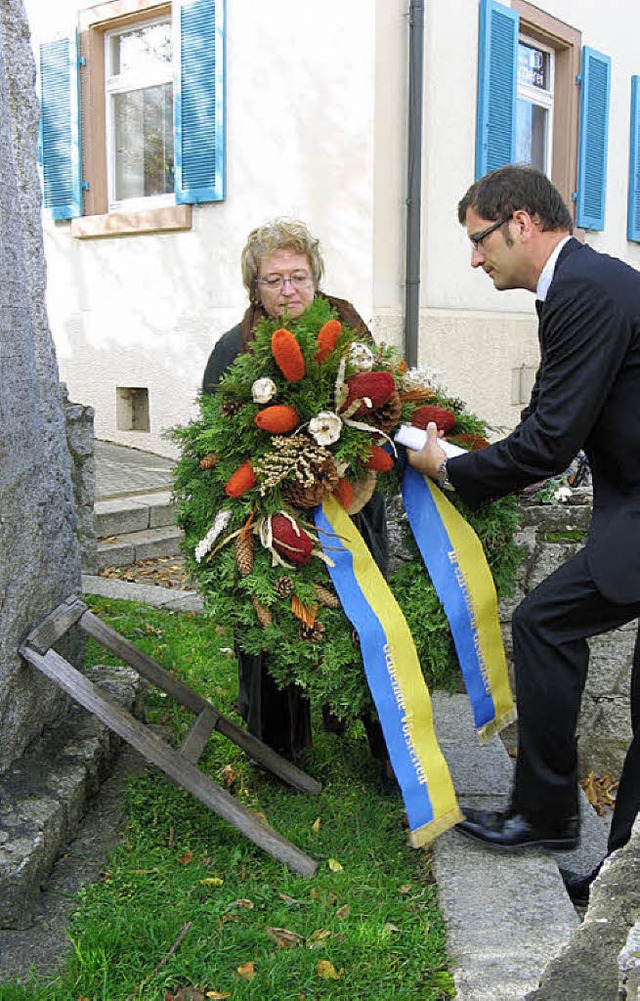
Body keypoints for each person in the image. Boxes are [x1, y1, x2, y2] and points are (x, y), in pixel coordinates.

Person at [407, 165, 640, 905]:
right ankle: (618, 882)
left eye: (479, 240)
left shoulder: (586, 288)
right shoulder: (586, 284)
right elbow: (554, 422)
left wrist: (450, 468)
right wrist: (479, 454)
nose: (476, 259)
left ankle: (546, 816)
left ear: (520, 223)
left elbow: (547, 441)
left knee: (543, 622)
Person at [202, 218, 392, 779]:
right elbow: (218, 440)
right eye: (274, 279)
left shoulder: (350, 330)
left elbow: (382, 408)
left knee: (367, 621)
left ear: (317, 277)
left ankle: (386, 749)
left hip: (348, 506)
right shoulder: (233, 348)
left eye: (299, 276)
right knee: (270, 622)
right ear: (254, 288)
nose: (289, 290)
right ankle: (276, 749)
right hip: (270, 515)